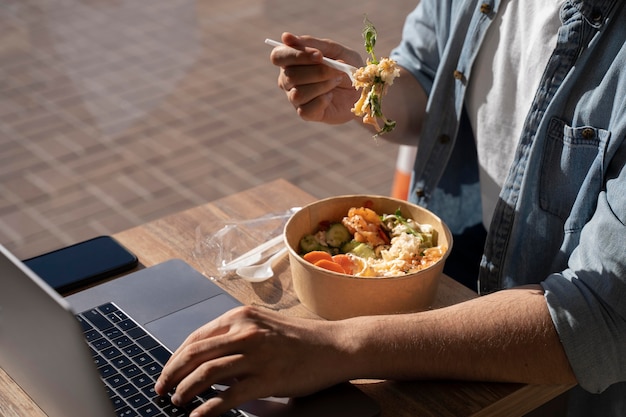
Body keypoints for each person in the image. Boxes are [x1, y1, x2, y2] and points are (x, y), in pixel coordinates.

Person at [155, 0, 626, 415]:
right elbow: (424, 80)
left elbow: (600, 318)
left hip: (557, 382)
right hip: (447, 275)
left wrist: (335, 347)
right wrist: (363, 90)